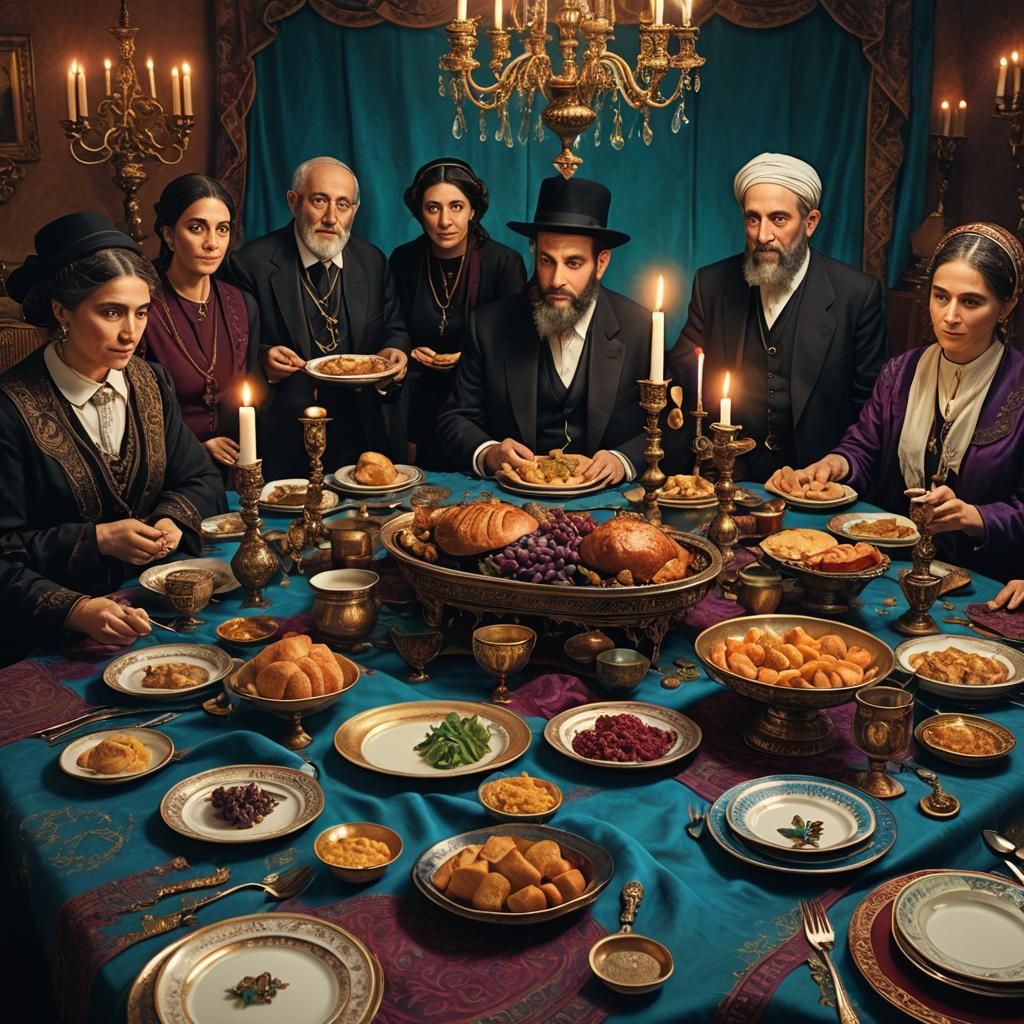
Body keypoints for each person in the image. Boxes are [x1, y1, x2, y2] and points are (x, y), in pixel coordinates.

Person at [1, 212, 225, 661]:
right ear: (61, 311)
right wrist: (82, 595)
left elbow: (201, 481)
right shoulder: (10, 409)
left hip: (155, 610)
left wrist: (171, 522)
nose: (130, 333)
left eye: (141, 312)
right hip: (53, 635)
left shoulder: (149, 382)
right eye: (110, 312)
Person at [768, 223, 1024, 582]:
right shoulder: (901, 373)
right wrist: (832, 465)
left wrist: (973, 517)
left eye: (970, 302)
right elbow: (864, 448)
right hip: (892, 569)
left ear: (1006, 306)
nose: (950, 316)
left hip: (983, 580)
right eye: (940, 296)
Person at [667, 152, 888, 482]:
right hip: (728, 481)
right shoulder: (712, 284)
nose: (762, 234)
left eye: (779, 219)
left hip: (814, 486)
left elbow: (872, 410)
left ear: (810, 222)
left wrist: (832, 468)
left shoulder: (857, 295)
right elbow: (685, 377)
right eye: (753, 219)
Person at [436, 176, 650, 484]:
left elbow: (672, 426)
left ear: (600, 263)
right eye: (546, 260)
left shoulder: (639, 327)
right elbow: (453, 419)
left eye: (573, 263)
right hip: (511, 501)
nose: (556, 279)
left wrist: (623, 460)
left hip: (607, 502)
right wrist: (489, 452)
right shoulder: (488, 325)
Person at [227, 156, 409, 479]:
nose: (331, 217)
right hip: (286, 440)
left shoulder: (372, 261)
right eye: (320, 200)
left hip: (363, 434)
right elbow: (233, 351)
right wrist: (263, 358)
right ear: (293, 202)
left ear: (354, 211)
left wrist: (393, 353)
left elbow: (392, 329)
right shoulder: (251, 264)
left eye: (343, 205)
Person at [389, 158, 526, 468]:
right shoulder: (403, 260)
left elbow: (513, 342)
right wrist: (406, 349)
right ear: (419, 213)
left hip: (482, 403)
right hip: (420, 401)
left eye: (456, 207)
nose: (444, 221)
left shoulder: (504, 263)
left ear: (473, 210)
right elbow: (391, 324)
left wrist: (467, 358)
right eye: (433, 208)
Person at [143, 173, 260, 468]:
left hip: (233, 466)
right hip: (165, 466)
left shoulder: (241, 303)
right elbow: (130, 410)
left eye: (222, 230)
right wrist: (196, 447)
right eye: (197, 228)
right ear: (169, 235)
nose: (212, 243)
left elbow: (254, 388)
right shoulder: (142, 307)